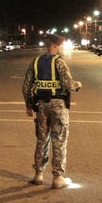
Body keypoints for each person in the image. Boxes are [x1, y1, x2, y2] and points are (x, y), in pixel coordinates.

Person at [21, 33, 82, 189]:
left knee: (42, 140)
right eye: (60, 45)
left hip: (41, 106)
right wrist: (78, 85)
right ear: (55, 45)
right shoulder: (59, 62)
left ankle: (38, 175)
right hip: (58, 106)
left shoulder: (35, 62)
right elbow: (68, 84)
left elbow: (26, 86)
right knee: (59, 140)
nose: (60, 48)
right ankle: (57, 177)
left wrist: (28, 105)